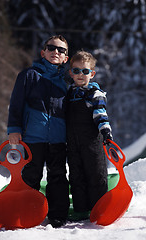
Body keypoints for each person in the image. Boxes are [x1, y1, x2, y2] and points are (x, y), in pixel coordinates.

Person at [7, 35, 70, 228]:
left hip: (58, 138)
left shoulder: (66, 82)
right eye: (51, 48)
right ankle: (26, 212)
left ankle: (57, 215)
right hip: (33, 136)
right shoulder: (29, 75)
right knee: (31, 175)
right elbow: (16, 104)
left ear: (66, 58)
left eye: (61, 50)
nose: (56, 52)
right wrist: (14, 129)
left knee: (58, 175)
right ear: (43, 52)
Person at [66, 50, 113, 221]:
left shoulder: (95, 94)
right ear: (71, 72)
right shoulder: (69, 94)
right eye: (76, 71)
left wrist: (106, 132)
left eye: (85, 71)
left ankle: (98, 209)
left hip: (91, 142)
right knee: (76, 176)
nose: (80, 75)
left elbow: (101, 115)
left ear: (92, 74)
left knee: (95, 174)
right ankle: (81, 210)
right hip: (72, 143)